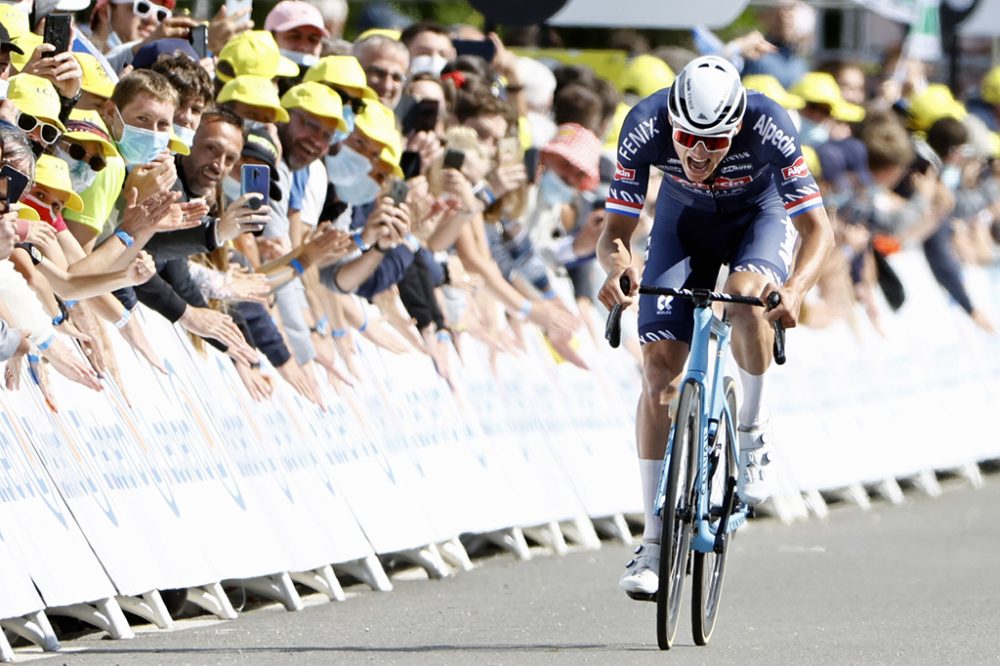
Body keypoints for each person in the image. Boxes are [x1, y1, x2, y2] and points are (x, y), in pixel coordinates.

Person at [597, 55, 834, 597]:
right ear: (671, 122)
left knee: (749, 302)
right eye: (687, 139)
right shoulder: (643, 123)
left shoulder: (770, 122)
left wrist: (794, 289)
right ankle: (654, 545)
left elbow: (818, 229)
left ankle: (751, 427)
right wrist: (618, 268)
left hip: (760, 218)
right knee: (659, 374)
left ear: (738, 126)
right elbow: (616, 228)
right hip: (685, 225)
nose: (699, 153)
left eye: (716, 141)